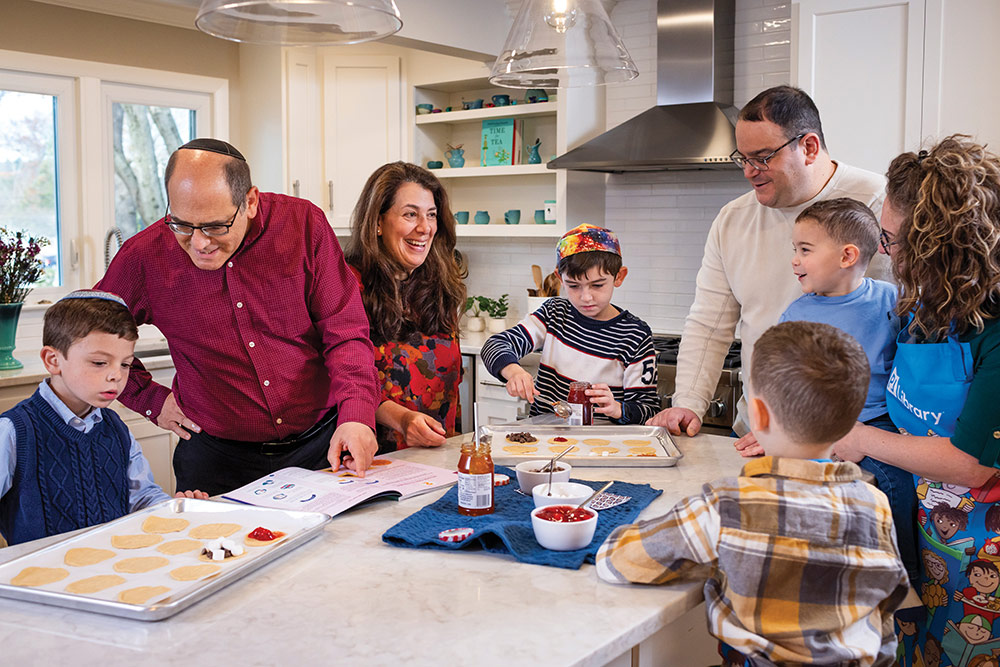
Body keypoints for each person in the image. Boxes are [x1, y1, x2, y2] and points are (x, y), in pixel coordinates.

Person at [597, 321, 909, 666]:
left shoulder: (728, 505)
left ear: (757, 415)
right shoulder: (875, 505)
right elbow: (885, 608)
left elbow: (618, 562)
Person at [96, 138, 380, 496]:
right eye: (182, 225)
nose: (199, 243)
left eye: (215, 227)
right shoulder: (144, 255)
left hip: (320, 448)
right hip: (215, 461)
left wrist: (356, 415)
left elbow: (345, 331)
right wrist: (152, 402)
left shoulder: (303, 225)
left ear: (249, 201)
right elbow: (88, 334)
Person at [833, 135, 1000, 666]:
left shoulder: (995, 329)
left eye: (895, 240)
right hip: (922, 533)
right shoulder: (924, 304)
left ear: (943, 245)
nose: (887, 252)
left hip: (983, 552)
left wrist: (861, 437)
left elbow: (970, 465)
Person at [648, 86, 890, 446]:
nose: (748, 172)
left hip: (847, 440)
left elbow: (907, 325)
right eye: (742, 158)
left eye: (762, 157)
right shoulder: (733, 219)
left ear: (808, 147)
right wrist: (689, 403)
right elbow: (709, 323)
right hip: (756, 431)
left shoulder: (878, 204)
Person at [735, 197, 919, 585]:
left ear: (847, 255)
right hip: (813, 431)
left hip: (876, 424)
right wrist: (771, 430)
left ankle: (904, 584)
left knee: (892, 484)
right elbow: (780, 381)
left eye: (805, 250)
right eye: (794, 250)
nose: (794, 260)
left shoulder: (893, 301)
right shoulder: (797, 313)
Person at [0, 291, 208, 546]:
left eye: (125, 364)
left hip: (113, 568)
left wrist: (178, 509)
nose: (116, 376)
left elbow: (142, 497)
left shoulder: (116, 428)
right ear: (53, 360)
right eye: (100, 363)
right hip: (37, 578)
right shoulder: (13, 431)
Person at [480, 223, 658, 424]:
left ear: (619, 276)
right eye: (573, 286)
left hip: (603, 444)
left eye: (597, 285)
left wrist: (617, 409)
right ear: (560, 279)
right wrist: (513, 371)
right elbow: (494, 345)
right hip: (545, 436)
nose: (586, 297)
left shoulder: (635, 334)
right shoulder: (554, 313)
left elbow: (648, 409)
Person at [344, 162, 466, 452]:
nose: (425, 228)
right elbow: (340, 382)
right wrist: (402, 420)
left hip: (439, 456)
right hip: (375, 459)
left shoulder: (440, 285)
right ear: (377, 221)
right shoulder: (347, 286)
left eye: (431, 215)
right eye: (410, 214)